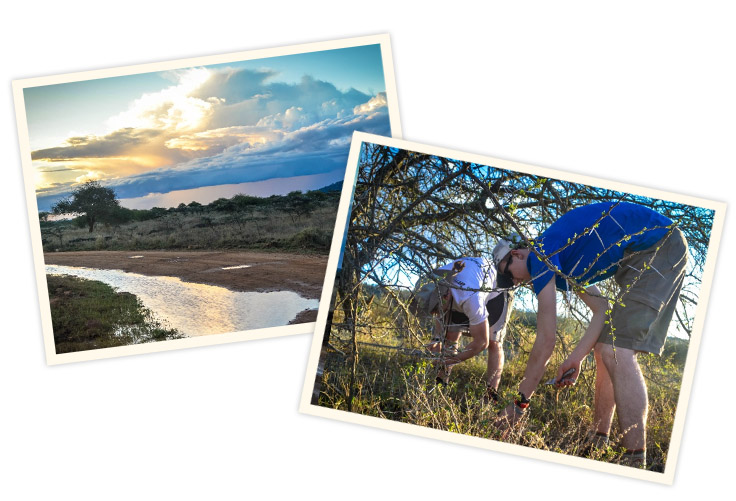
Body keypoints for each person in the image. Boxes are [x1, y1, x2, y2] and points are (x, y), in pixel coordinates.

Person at [494, 201, 687, 468]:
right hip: (647, 251)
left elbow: (546, 339)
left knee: (616, 350)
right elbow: (601, 309)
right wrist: (576, 357)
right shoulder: (560, 265)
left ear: (516, 254)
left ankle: (634, 463)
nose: (515, 282)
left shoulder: (541, 253)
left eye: (508, 274)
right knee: (604, 347)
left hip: (657, 245)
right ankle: (598, 441)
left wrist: (519, 404)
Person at [409, 256, 514, 402]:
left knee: (494, 341)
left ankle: (490, 395)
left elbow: (481, 343)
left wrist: (449, 360)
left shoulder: (471, 299)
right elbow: (439, 313)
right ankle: (440, 386)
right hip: (463, 288)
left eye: (437, 309)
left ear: (446, 296)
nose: (436, 314)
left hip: (498, 289)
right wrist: (437, 339)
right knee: (450, 336)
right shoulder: (438, 281)